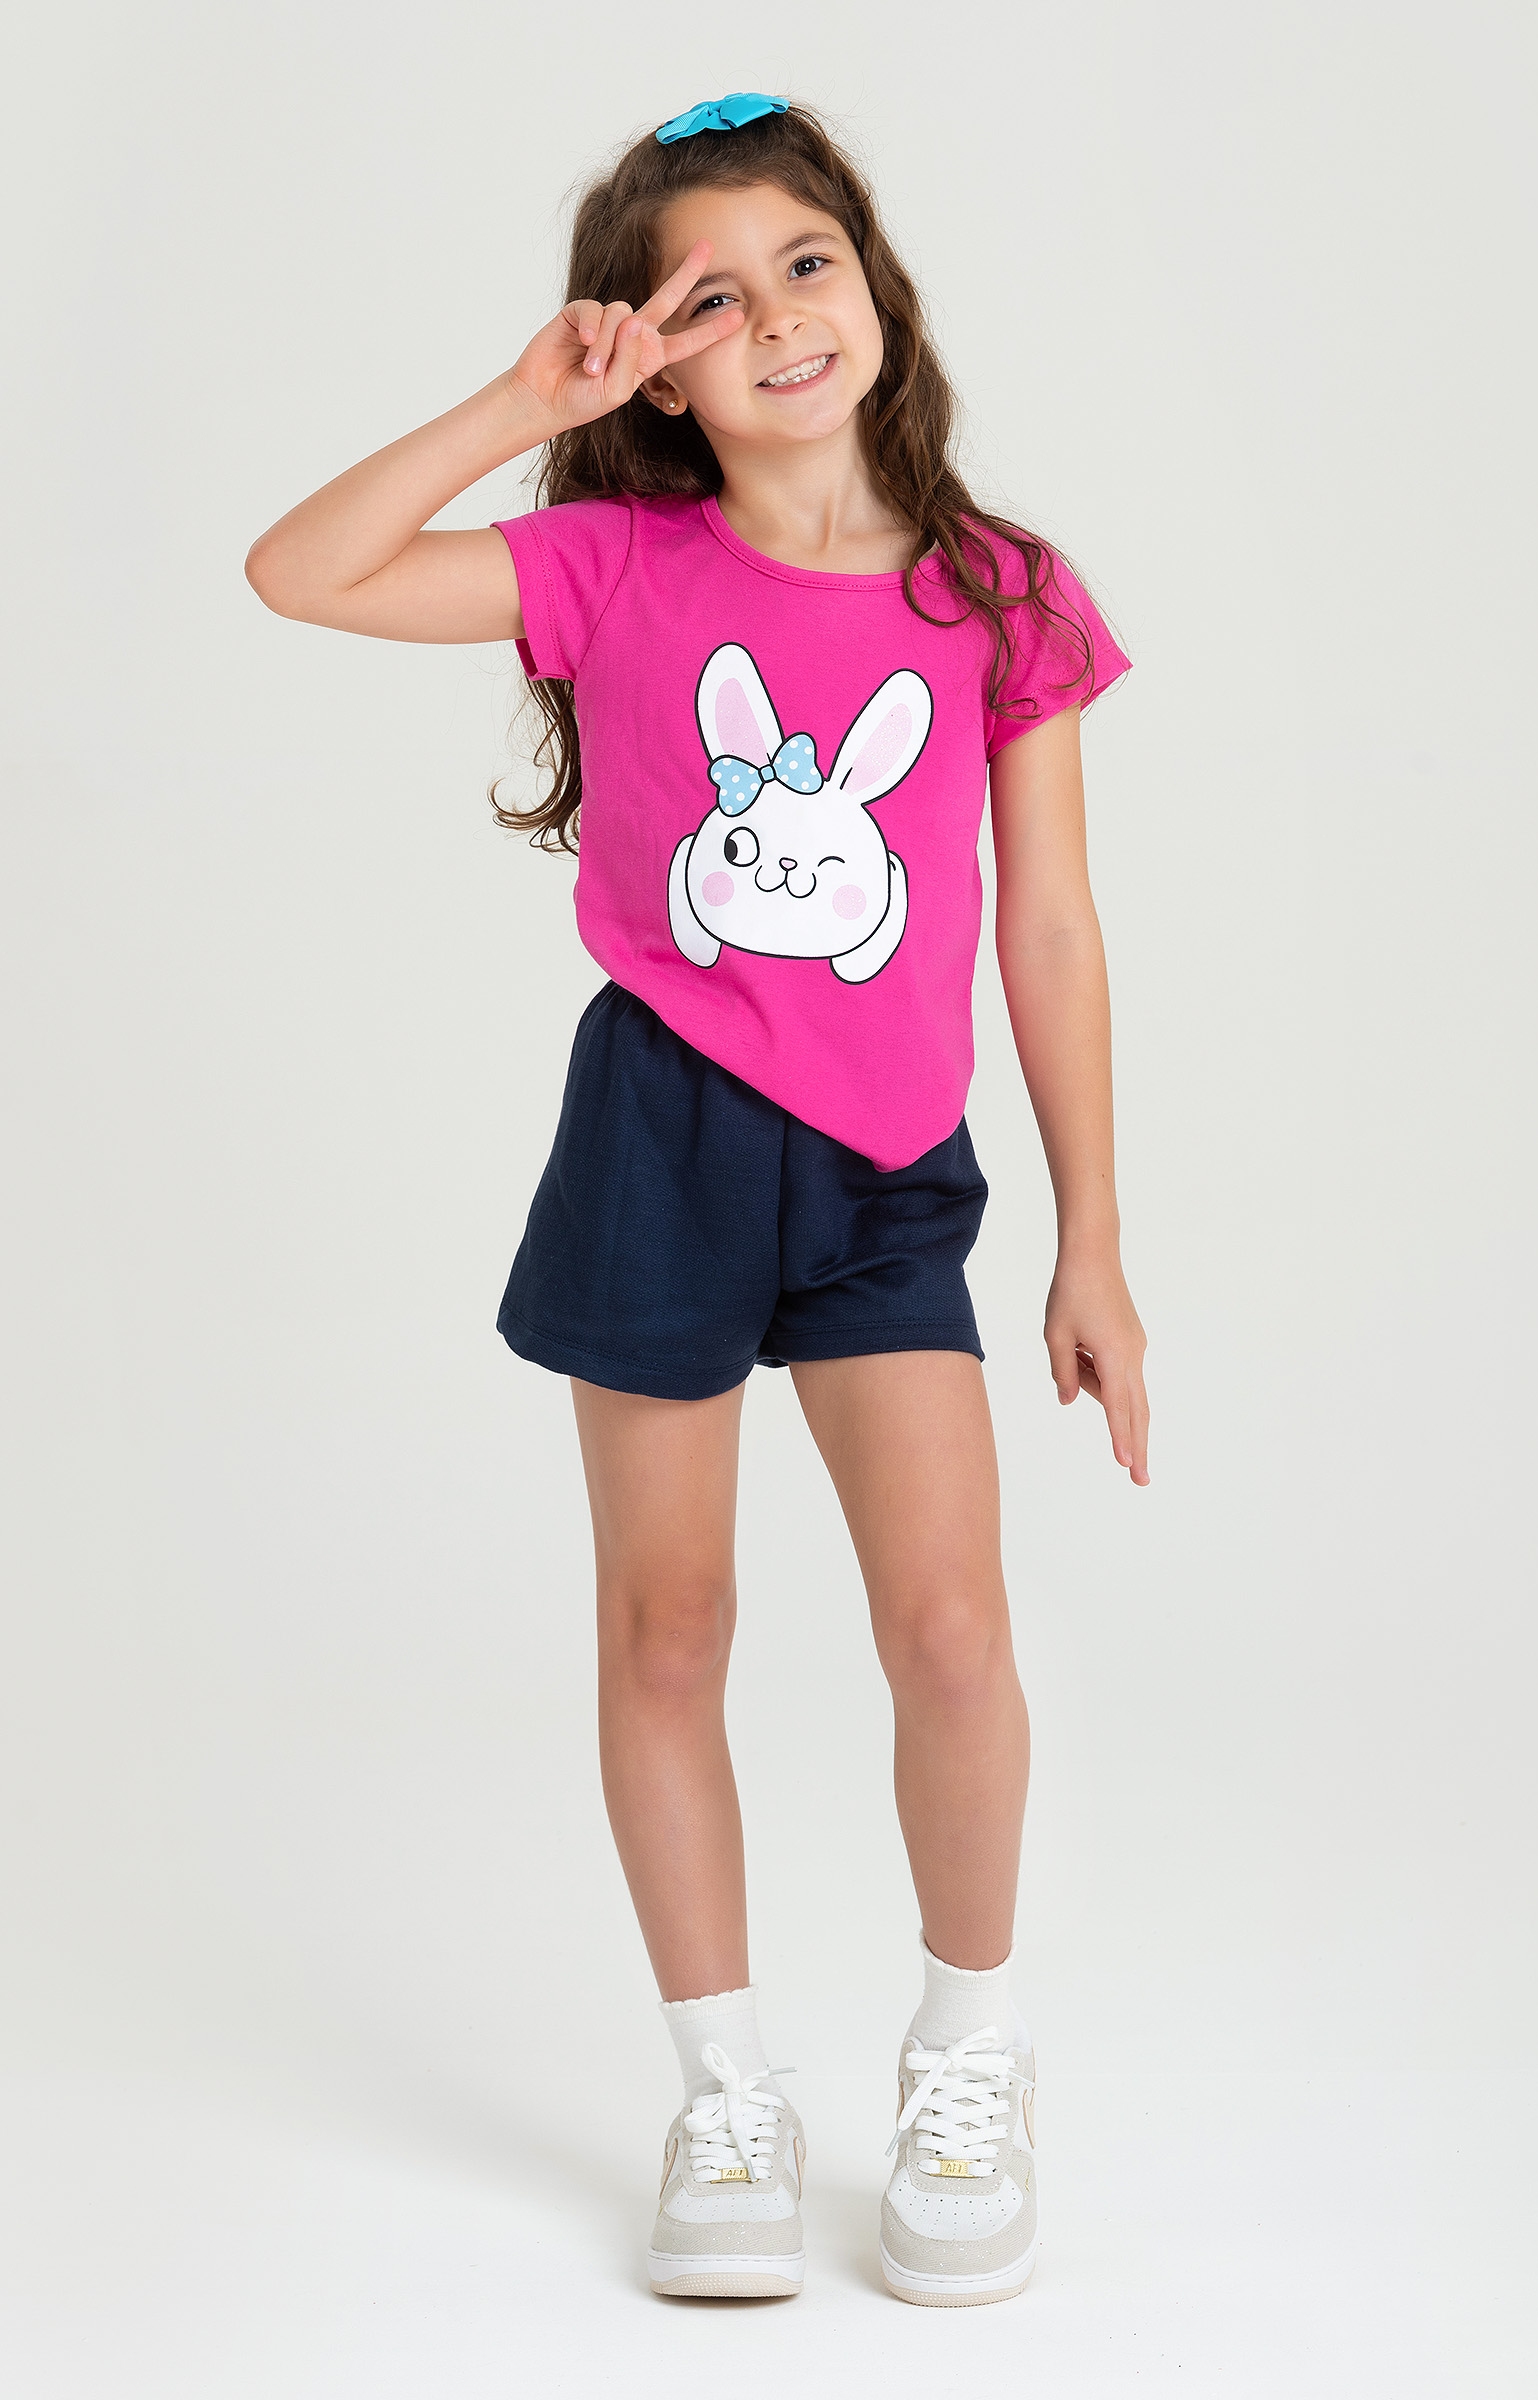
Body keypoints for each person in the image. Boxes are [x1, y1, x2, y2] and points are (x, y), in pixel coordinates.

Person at [245, 90, 1149, 2309]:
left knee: (950, 1630)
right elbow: (301, 571)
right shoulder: (612, 570)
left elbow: (1046, 931)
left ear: (874, 279)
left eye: (803, 264)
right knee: (669, 1627)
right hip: (658, 1144)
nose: (775, 319)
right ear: (649, 362)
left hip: (887, 1177)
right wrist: (521, 403)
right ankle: (723, 2091)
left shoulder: (998, 594)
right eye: (708, 301)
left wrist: (1094, 1240)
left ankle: (967, 2051)